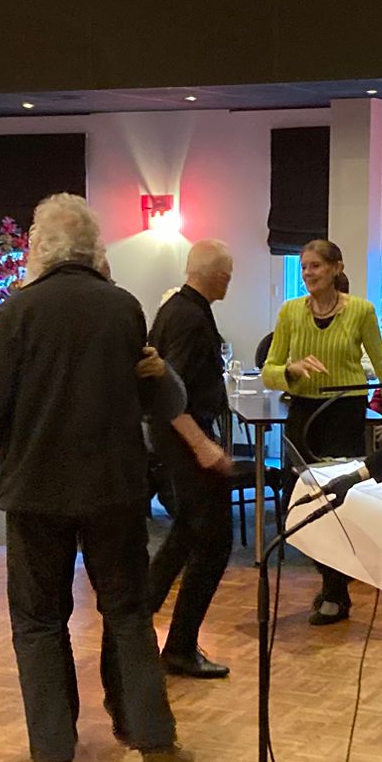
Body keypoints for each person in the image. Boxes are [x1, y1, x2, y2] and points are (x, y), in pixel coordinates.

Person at [0, 194, 196, 762]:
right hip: (115, 488)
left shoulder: (17, 310)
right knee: (128, 614)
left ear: (38, 248)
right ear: (96, 250)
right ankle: (157, 748)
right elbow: (156, 398)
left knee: (40, 620)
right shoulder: (124, 307)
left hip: (36, 490)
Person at [260, 239, 382, 626]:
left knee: (338, 500)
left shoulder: (361, 310)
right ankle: (331, 580)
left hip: (344, 412)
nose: (308, 273)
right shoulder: (290, 311)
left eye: (316, 266)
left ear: (336, 268)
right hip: (303, 412)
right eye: (304, 267)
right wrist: (290, 371)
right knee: (300, 499)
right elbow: (269, 371)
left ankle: (335, 591)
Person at [145, 239, 238, 680]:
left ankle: (134, 626)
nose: (229, 282)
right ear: (216, 275)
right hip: (185, 440)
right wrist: (202, 444)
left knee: (186, 533)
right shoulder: (188, 317)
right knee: (215, 542)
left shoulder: (179, 309)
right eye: (228, 275)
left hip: (179, 439)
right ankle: (178, 646)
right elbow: (170, 391)